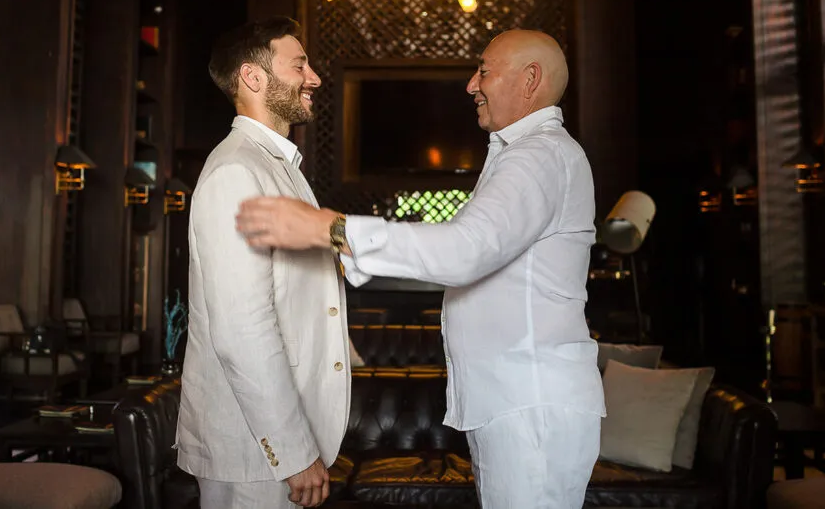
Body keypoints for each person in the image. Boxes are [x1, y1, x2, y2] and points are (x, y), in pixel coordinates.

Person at [235, 29, 604, 509]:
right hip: (519, 402)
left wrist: (331, 228)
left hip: (529, 405)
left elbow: (464, 251)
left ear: (530, 79)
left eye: (484, 71)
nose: (472, 84)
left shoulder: (539, 156)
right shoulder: (529, 156)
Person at [177, 16, 350, 509]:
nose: (313, 77)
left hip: (279, 445)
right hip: (254, 454)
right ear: (253, 78)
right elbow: (241, 329)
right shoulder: (236, 171)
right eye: (299, 65)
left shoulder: (278, 166)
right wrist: (293, 452)